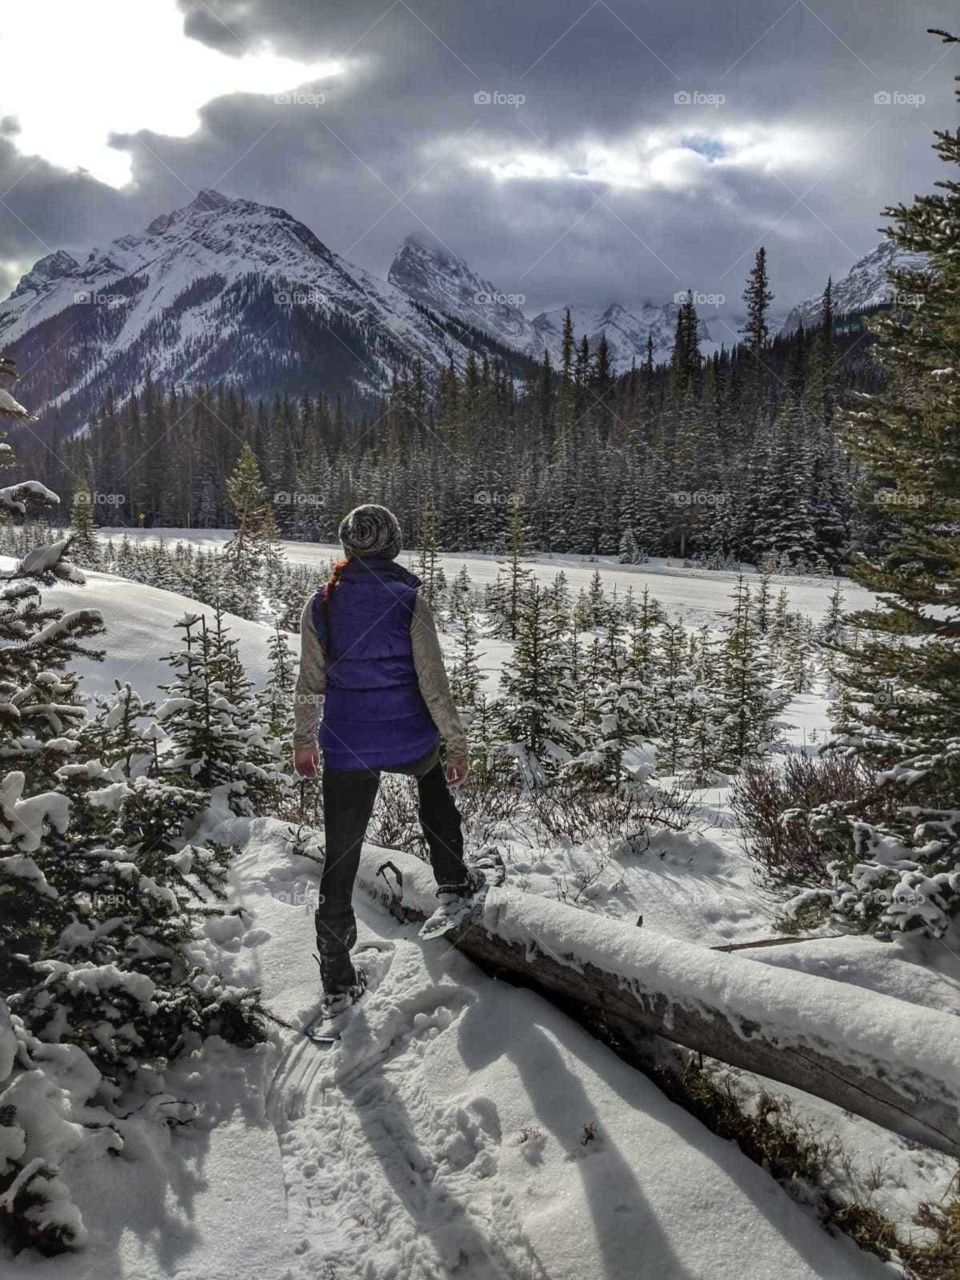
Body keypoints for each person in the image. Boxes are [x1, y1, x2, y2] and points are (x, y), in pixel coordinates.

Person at [293, 503, 479, 1014]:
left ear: (347, 546)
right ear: (393, 544)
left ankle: (335, 967)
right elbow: (433, 684)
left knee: (341, 850)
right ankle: (454, 883)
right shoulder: (409, 601)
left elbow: (311, 683)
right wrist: (455, 743)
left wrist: (304, 740)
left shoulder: (322, 605)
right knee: (435, 796)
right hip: (410, 739)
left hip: (347, 744)